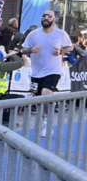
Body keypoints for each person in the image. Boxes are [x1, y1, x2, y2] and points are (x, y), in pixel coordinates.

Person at [22, 8, 73, 136]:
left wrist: (60, 52)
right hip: (36, 72)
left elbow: (70, 47)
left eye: (49, 16)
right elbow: (23, 49)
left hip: (53, 71)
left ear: (54, 19)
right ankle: (44, 121)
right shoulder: (33, 34)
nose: (46, 18)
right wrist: (31, 50)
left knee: (46, 94)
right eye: (44, 16)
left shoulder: (60, 34)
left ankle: (48, 124)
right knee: (39, 100)